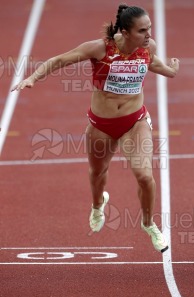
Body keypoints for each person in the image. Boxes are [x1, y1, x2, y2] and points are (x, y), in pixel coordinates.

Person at [12, 4, 179, 253]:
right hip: (101, 125)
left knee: (145, 176)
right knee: (97, 174)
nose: (149, 35)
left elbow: (152, 64)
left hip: (135, 122)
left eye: (150, 29)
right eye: (143, 30)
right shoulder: (100, 48)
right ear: (124, 31)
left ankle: (148, 224)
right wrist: (33, 78)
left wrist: (171, 70)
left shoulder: (148, 47)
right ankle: (97, 205)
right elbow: (60, 60)